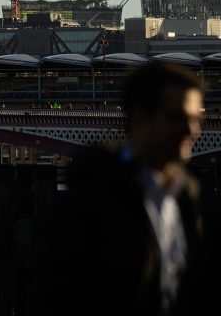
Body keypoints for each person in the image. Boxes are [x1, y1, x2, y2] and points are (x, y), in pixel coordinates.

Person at [41, 61, 204, 316]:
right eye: (177, 118)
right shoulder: (89, 204)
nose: (191, 130)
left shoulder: (187, 197)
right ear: (140, 120)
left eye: (195, 118)